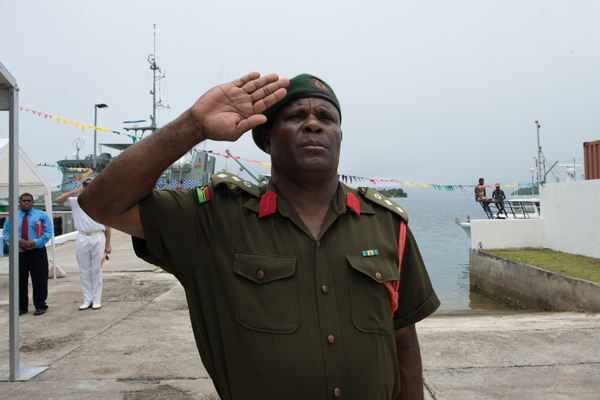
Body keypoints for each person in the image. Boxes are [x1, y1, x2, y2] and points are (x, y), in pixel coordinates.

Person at [80, 72, 440, 400]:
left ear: (339, 137)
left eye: (326, 118)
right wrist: (193, 126)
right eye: (296, 116)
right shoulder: (214, 219)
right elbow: (102, 203)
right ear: (267, 139)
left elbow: (403, 339)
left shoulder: (387, 225)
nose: (313, 124)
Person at [55, 177, 111, 310]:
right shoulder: (75, 202)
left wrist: (108, 245)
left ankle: (97, 299)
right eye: (85, 187)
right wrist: (73, 192)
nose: (88, 190)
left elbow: (108, 226)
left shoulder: (101, 203)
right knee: (84, 270)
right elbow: (57, 200)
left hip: (98, 236)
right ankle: (87, 299)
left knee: (96, 269)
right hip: (82, 237)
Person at [2, 193, 53, 315]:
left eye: (29, 201)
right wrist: (17, 241)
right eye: (24, 201)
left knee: (39, 279)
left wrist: (35, 242)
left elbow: (48, 232)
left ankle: (40, 304)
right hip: (19, 253)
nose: (26, 203)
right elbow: (6, 234)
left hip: (37, 252)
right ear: (19, 202)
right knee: (19, 280)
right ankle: (21, 306)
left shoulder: (41, 216)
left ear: (32, 202)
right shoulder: (12, 218)